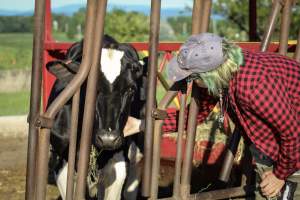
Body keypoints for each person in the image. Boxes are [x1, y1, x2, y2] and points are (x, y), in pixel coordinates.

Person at [124, 33, 300, 199]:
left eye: (192, 78)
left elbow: (293, 133)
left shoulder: (254, 85)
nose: (190, 82)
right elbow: (196, 116)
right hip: (272, 145)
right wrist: (141, 124)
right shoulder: (222, 73)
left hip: (293, 151)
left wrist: (280, 174)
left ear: (209, 74)